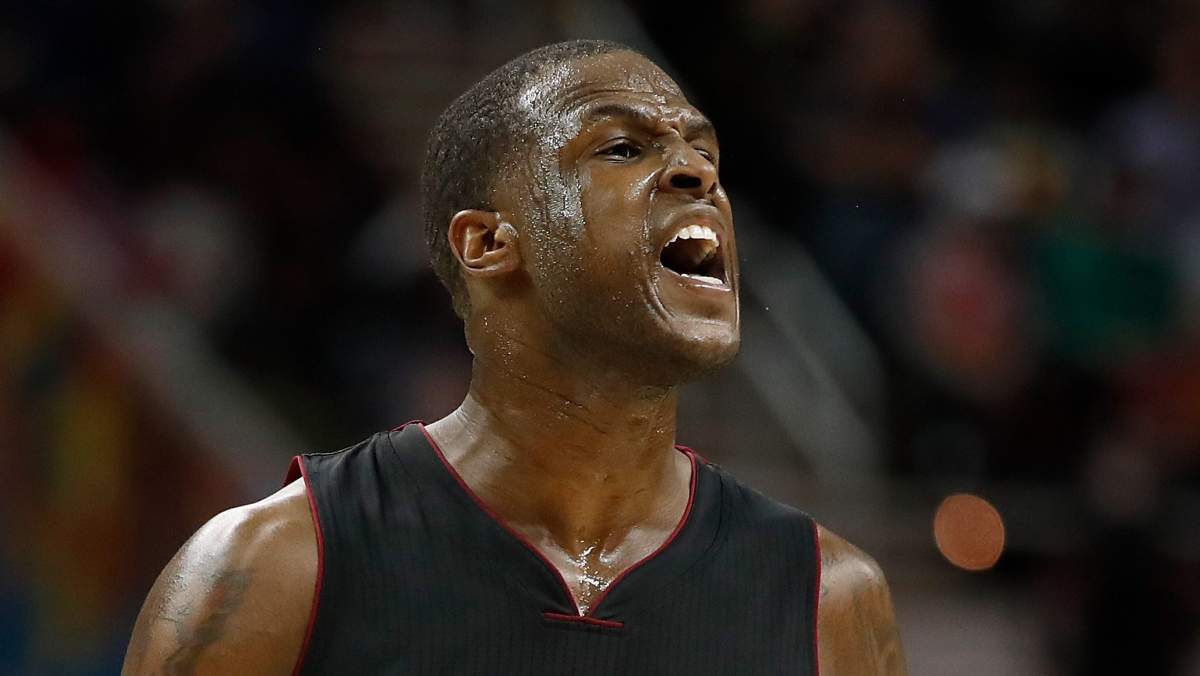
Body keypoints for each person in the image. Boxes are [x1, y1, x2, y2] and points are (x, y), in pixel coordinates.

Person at [121, 40, 906, 675]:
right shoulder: (274, 566)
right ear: (488, 243)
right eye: (623, 147)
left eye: (707, 155)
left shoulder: (827, 598)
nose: (699, 173)